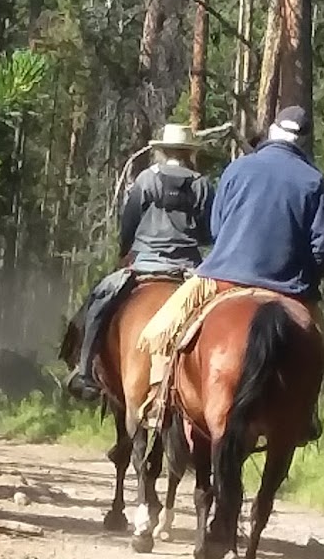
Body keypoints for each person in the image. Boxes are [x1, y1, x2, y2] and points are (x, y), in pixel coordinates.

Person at [139, 104, 324, 419]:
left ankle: (158, 398)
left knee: (161, 331)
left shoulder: (238, 169)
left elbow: (217, 228)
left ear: (273, 131)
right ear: (304, 140)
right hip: (289, 286)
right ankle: (306, 416)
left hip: (222, 276)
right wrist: (305, 278)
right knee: (323, 353)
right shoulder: (314, 180)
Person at [66, 122, 214, 401]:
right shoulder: (201, 185)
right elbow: (208, 233)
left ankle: (84, 370)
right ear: (189, 152)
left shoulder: (147, 179)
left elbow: (129, 223)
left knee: (99, 301)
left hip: (146, 263)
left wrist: (124, 251)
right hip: (189, 268)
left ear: (164, 150)